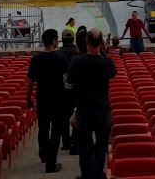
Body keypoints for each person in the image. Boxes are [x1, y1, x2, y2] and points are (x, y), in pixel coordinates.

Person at [66, 28, 117, 179]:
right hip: (102, 112)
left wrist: (73, 111)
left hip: (83, 112)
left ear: (86, 42)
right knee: (101, 148)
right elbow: (113, 74)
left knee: (85, 149)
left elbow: (68, 88)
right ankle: (95, 176)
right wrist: (104, 52)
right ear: (102, 43)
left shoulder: (76, 62)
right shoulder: (107, 62)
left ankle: (87, 176)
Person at [27, 28, 68, 174]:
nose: (58, 41)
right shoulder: (61, 59)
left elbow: (30, 80)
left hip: (42, 99)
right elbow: (67, 80)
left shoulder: (36, 59)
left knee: (43, 129)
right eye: (57, 39)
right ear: (53, 41)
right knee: (56, 131)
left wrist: (28, 97)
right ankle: (51, 163)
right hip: (58, 99)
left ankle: (44, 153)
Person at [58, 31, 80, 156]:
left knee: (64, 118)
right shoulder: (78, 54)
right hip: (76, 91)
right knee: (77, 116)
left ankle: (66, 142)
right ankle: (74, 142)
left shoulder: (58, 54)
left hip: (62, 91)